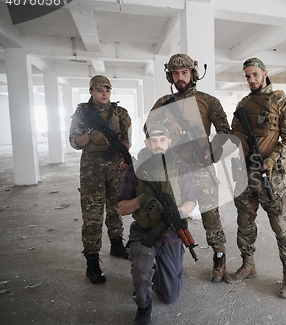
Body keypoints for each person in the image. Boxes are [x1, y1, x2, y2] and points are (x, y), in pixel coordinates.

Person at [147, 53, 230, 283]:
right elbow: (148, 125)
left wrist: (213, 149)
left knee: (210, 213)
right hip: (173, 168)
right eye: (175, 74)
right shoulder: (164, 103)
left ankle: (219, 256)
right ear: (170, 76)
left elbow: (224, 130)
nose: (180, 77)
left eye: (184, 73)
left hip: (200, 166)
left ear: (192, 73)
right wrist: (165, 122)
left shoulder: (207, 100)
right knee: (173, 214)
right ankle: (172, 259)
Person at [225, 58, 286, 299]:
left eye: (255, 74)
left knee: (279, 224)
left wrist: (273, 157)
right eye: (247, 76)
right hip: (245, 172)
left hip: (270, 174)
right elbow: (235, 132)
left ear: (265, 73)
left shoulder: (282, 101)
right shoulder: (243, 104)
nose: (251, 80)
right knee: (244, 221)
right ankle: (248, 265)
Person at [117, 125, 196, 325]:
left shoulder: (181, 167)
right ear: (147, 143)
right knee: (143, 274)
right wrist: (140, 200)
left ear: (169, 142)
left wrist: (176, 213)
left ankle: (166, 269)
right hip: (143, 232)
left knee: (170, 297)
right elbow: (121, 208)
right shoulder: (135, 170)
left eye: (162, 140)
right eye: (153, 140)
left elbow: (191, 201)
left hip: (170, 235)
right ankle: (143, 305)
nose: (158, 144)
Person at [69, 75, 131, 285]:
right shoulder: (82, 113)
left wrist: (123, 156)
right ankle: (92, 261)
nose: (104, 93)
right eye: (99, 89)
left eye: (107, 89)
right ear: (91, 92)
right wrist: (90, 134)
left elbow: (126, 141)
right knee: (93, 214)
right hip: (91, 170)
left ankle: (116, 244)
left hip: (116, 167)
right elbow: (74, 141)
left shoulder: (120, 112)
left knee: (116, 208)